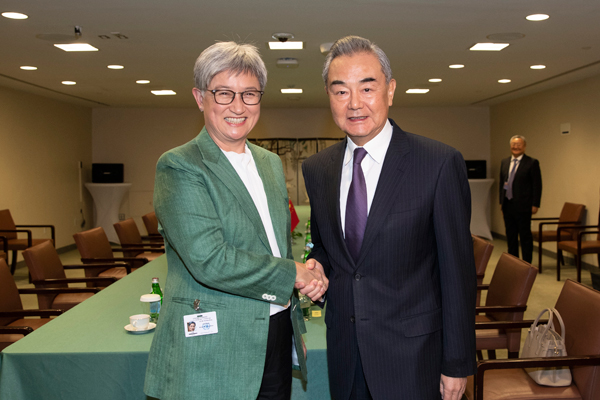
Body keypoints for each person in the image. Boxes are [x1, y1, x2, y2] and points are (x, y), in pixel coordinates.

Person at [144, 41, 327, 400]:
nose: (238, 107)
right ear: (200, 98)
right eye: (224, 93)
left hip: (275, 330)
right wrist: (294, 273)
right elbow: (209, 260)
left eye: (250, 94)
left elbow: (273, 245)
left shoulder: (270, 164)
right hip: (216, 343)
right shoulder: (180, 165)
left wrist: (306, 275)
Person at [302, 36, 476, 400]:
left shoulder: (438, 164)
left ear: (390, 90)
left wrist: (457, 363)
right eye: (340, 91)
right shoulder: (317, 169)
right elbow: (325, 245)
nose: (354, 104)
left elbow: (457, 275)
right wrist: (317, 264)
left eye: (367, 88)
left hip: (413, 358)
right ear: (329, 97)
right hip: (346, 353)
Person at [499, 135, 542, 263]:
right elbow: (502, 183)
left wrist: (535, 204)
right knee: (511, 236)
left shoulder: (532, 162)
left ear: (524, 146)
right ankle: (513, 263)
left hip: (524, 206)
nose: (515, 147)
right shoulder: (505, 162)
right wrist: (501, 202)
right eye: (513, 144)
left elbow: (537, 185)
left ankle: (527, 264)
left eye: (518, 144)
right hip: (508, 205)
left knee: (525, 236)